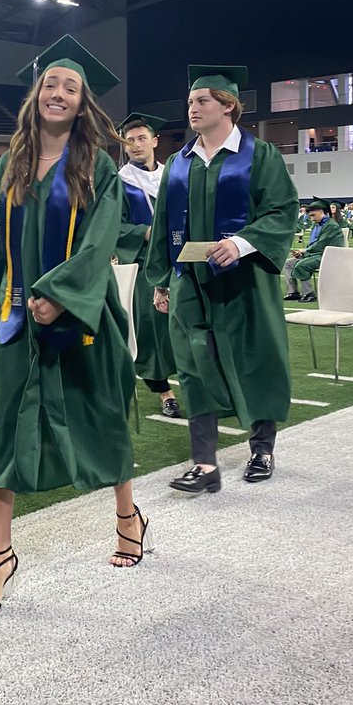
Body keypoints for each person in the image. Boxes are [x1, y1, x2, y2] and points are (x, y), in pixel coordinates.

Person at [0, 35, 146, 621]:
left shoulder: (96, 165)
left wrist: (61, 296)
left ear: (81, 103)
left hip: (84, 316)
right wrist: (12, 304)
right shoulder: (9, 165)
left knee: (99, 414)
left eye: (71, 88)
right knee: (6, 425)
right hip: (20, 320)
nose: (60, 93)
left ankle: (128, 517)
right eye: (52, 84)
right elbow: (3, 249)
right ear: (37, 94)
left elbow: (100, 243)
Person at [146, 64, 298, 492]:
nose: (192, 108)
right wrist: (161, 282)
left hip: (245, 280)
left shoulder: (260, 155)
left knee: (257, 358)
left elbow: (282, 210)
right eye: (191, 102)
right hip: (190, 282)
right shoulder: (179, 163)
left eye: (202, 101)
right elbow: (162, 227)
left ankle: (262, 449)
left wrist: (242, 242)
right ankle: (205, 465)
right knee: (194, 367)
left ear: (228, 106)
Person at [114, 111, 180, 417]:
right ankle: (164, 392)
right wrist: (145, 232)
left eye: (142, 138)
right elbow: (114, 227)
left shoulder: (173, 176)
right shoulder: (120, 183)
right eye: (129, 141)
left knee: (184, 324)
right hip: (144, 266)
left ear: (155, 141)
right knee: (152, 329)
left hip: (179, 263)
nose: (136, 145)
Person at [281, 197, 346, 301]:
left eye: (313, 215)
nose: (311, 218)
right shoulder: (317, 225)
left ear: (321, 212)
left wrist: (304, 251)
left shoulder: (331, 226)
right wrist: (302, 253)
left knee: (302, 265)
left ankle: (309, 293)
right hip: (317, 254)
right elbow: (314, 244)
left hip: (329, 256)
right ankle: (293, 292)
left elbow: (321, 244)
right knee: (288, 263)